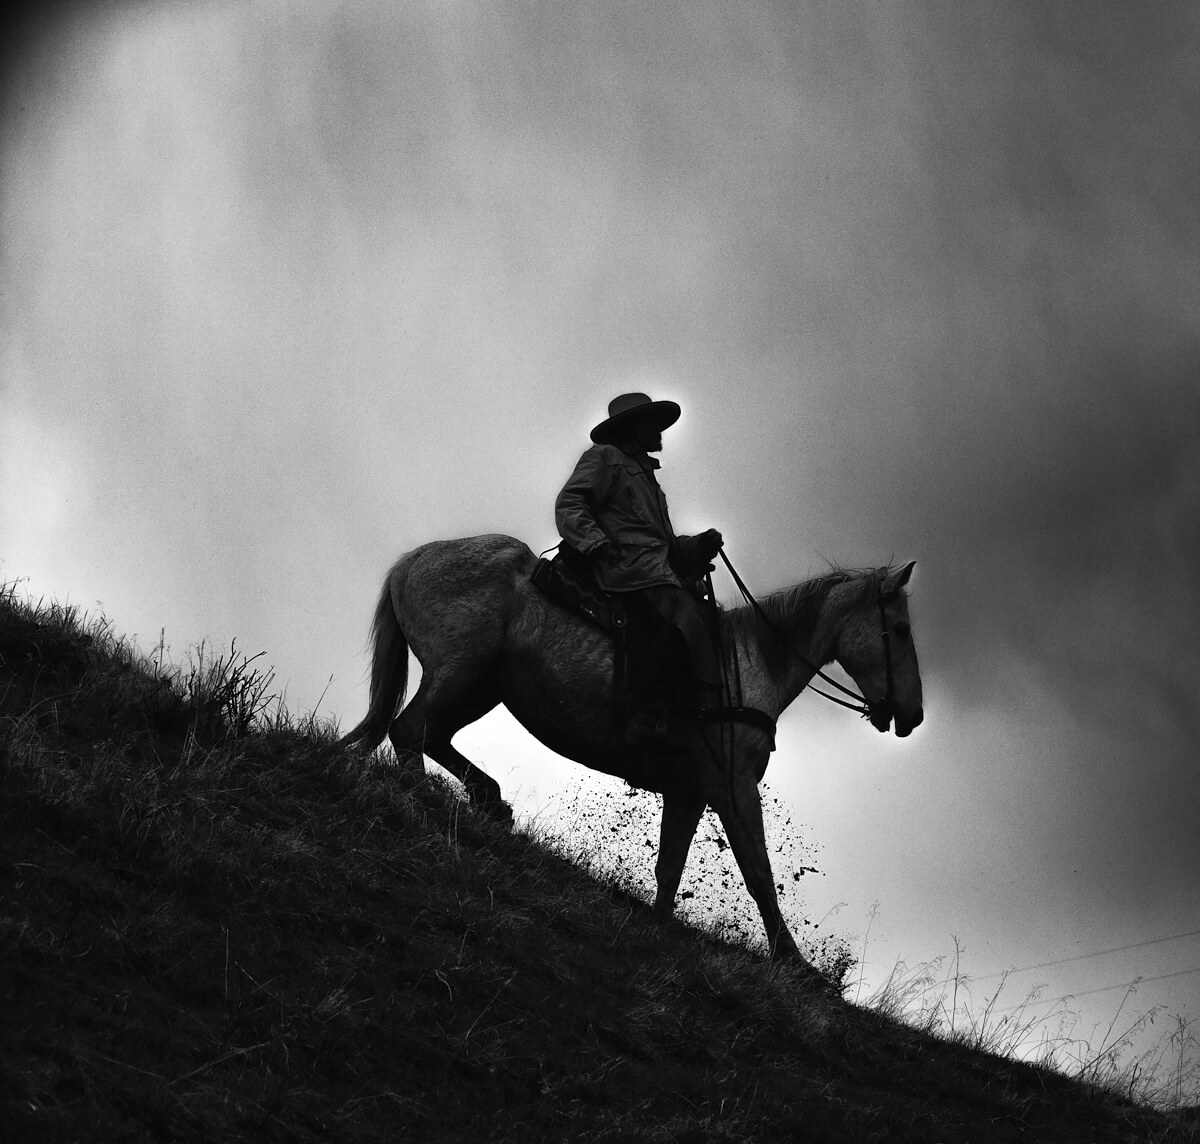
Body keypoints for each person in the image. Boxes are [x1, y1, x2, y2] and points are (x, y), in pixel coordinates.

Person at [555, 392, 725, 745]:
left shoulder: (648, 477)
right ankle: (646, 716)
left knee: (702, 620)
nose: (660, 431)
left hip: (652, 568)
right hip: (625, 570)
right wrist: (596, 544)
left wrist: (698, 546)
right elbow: (571, 503)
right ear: (632, 428)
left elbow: (663, 544)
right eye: (653, 423)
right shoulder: (605, 458)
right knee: (673, 621)